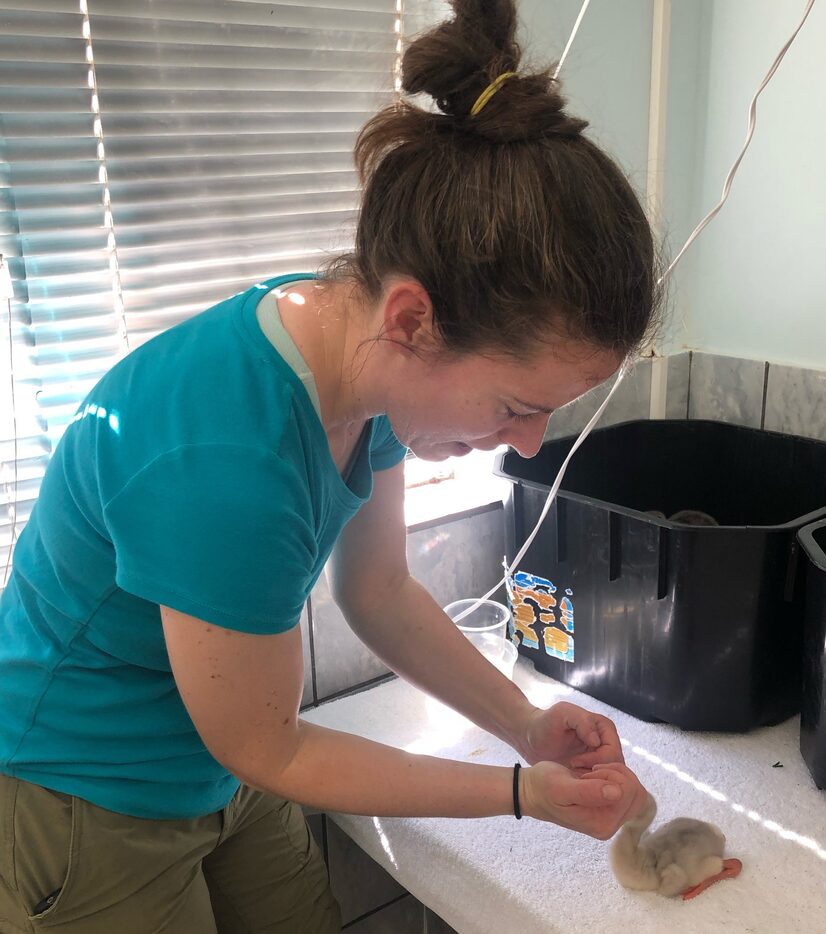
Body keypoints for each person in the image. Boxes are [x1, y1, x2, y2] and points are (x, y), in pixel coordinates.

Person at [0, 1, 662, 930]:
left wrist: (524, 725)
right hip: (84, 787)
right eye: (517, 405)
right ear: (409, 320)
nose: (529, 442)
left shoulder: (365, 369)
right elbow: (275, 750)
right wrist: (524, 795)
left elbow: (380, 592)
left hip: (220, 753)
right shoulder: (224, 457)